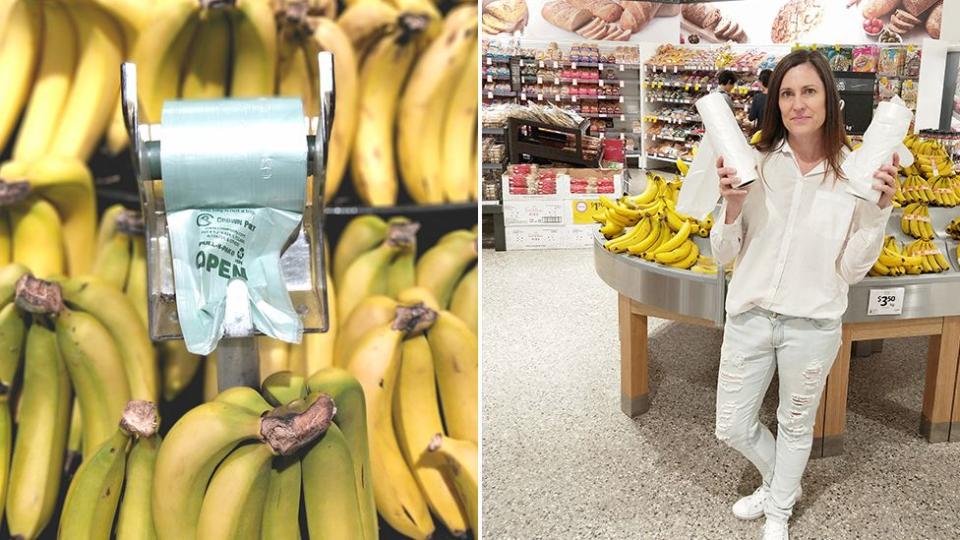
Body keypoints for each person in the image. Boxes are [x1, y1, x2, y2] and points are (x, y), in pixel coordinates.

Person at [709, 50, 897, 540]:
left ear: (829, 100)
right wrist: (730, 207)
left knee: (795, 424)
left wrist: (880, 211)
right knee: (731, 424)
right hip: (750, 317)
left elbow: (853, 269)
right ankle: (781, 487)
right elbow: (723, 255)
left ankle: (778, 514)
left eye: (808, 91)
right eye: (786, 93)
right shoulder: (757, 165)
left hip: (812, 326)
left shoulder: (854, 175)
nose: (797, 103)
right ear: (775, 103)